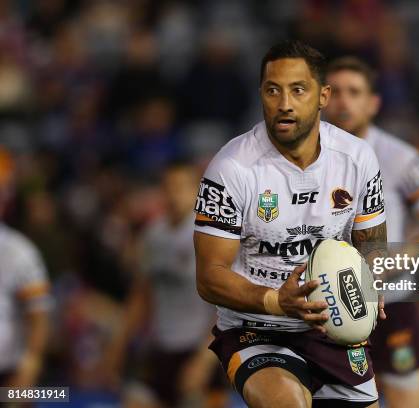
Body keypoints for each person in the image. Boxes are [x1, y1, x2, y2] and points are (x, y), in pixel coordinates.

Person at [194, 40, 387, 408]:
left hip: (333, 330)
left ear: (323, 96)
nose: (284, 103)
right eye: (273, 90)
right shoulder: (231, 169)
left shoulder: (357, 158)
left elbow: (372, 242)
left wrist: (370, 286)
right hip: (255, 328)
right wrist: (276, 301)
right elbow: (208, 276)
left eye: (298, 90)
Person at [324, 56, 419, 408]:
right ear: (321, 99)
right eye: (335, 92)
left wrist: (399, 258)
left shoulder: (400, 158)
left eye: (354, 92)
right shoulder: (302, 157)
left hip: (391, 304)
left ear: (373, 103)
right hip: (326, 306)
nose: (343, 101)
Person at [103, 161, 223, 408]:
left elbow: (227, 306)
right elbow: (141, 295)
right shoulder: (152, 237)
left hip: (199, 348)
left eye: (181, 187)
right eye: (168, 187)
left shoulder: (212, 237)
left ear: (197, 191)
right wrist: (118, 347)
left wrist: (204, 358)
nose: (173, 194)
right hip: (160, 347)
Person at [0, 148, 52, 388]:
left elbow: (39, 317)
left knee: (58, 395)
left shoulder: (20, 252)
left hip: (7, 378)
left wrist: (30, 366)